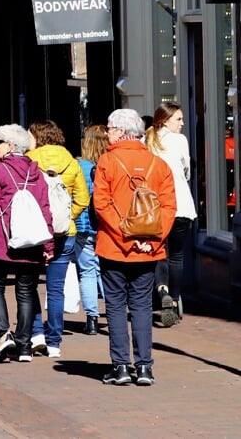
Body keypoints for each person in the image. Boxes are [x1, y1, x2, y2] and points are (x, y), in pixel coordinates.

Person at [94, 108, 175, 386]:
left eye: (109, 128)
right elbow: (168, 208)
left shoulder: (107, 161)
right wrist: (151, 239)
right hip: (148, 249)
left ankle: (121, 367)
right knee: (141, 306)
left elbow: (102, 205)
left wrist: (125, 234)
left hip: (114, 247)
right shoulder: (159, 164)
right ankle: (144, 368)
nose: (106, 133)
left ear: (119, 131)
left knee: (116, 306)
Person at [0, 124, 54, 363]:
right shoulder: (36, 173)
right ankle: (23, 346)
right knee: (27, 292)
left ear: (10, 146)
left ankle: (2, 335)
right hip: (31, 243)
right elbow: (45, 210)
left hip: (2, 241)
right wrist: (48, 246)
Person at [27, 120, 89, 359]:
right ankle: (54, 341)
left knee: (29, 285)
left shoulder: (30, 160)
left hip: (36, 233)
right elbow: (83, 200)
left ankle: (36, 334)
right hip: (66, 233)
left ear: (38, 137)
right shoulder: (72, 163)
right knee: (56, 289)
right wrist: (65, 218)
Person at [145, 102, 195, 327]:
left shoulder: (148, 141)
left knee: (159, 254)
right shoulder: (179, 141)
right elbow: (186, 171)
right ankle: (174, 300)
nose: (182, 124)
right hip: (181, 206)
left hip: (157, 207)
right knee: (176, 256)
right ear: (165, 120)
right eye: (178, 119)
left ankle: (161, 290)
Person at [76, 124, 108, 335]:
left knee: (87, 272)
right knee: (107, 272)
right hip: (106, 227)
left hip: (83, 226)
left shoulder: (79, 167)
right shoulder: (109, 165)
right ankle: (115, 312)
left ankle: (92, 319)